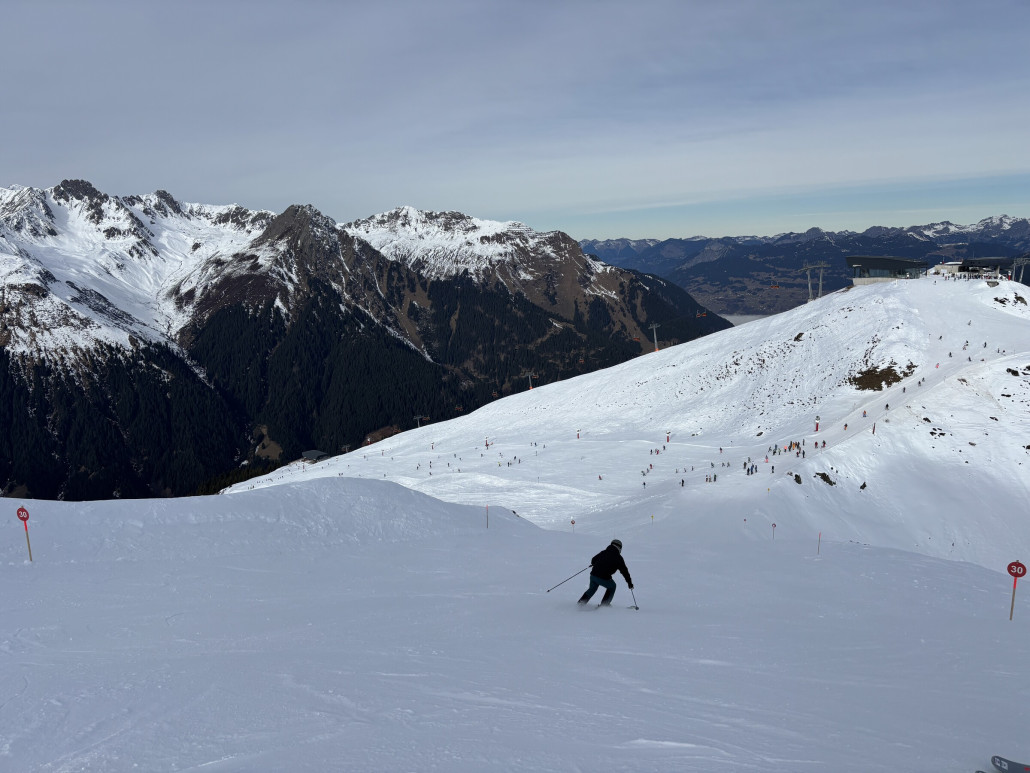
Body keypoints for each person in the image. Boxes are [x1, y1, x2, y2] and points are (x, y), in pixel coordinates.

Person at [578, 539, 633, 606]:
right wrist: (629, 583)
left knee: (592, 589)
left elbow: (593, 560)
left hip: (593, 576)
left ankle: (580, 603)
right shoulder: (618, 558)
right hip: (603, 578)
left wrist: (597, 563)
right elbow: (625, 571)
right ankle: (604, 606)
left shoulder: (603, 552)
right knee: (612, 586)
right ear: (619, 547)